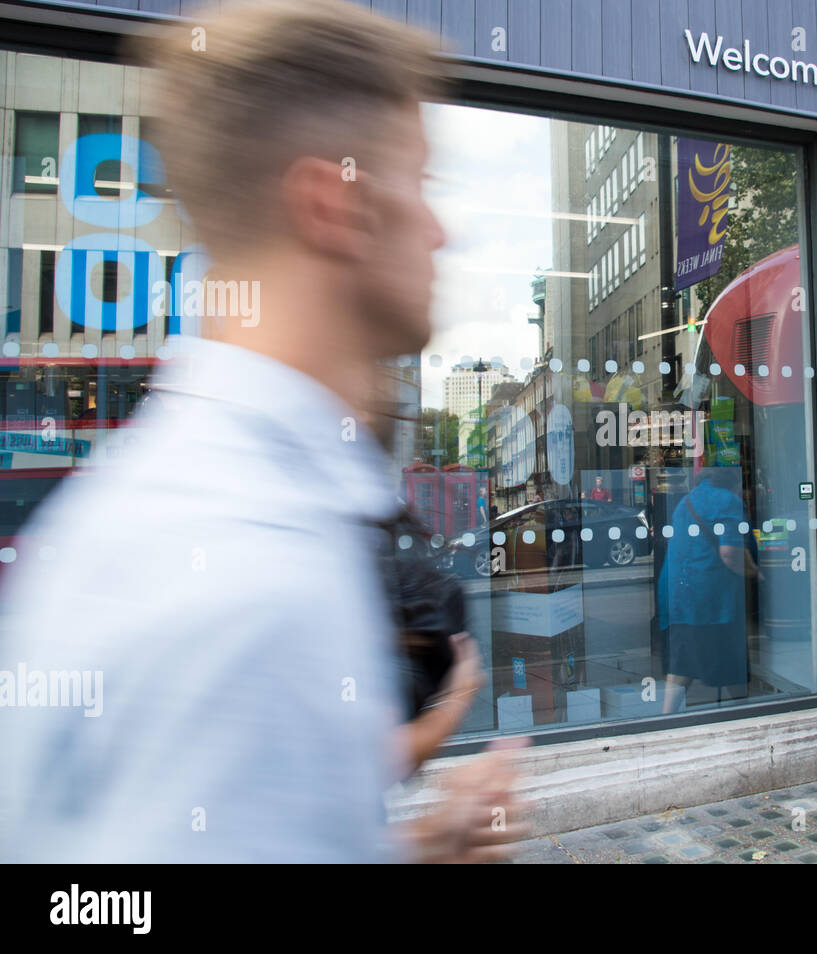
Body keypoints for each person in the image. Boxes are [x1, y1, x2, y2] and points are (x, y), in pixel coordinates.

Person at [0, 0, 525, 862]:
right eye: (420, 184)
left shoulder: (197, 504)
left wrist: (419, 847)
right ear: (336, 206)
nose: (441, 229)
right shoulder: (254, 585)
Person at [657, 468, 757, 713]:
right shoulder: (727, 501)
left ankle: (666, 716)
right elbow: (730, 553)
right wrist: (757, 573)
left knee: (684, 659)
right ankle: (746, 711)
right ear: (733, 484)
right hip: (708, 598)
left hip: (678, 592)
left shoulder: (687, 500)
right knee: (727, 657)